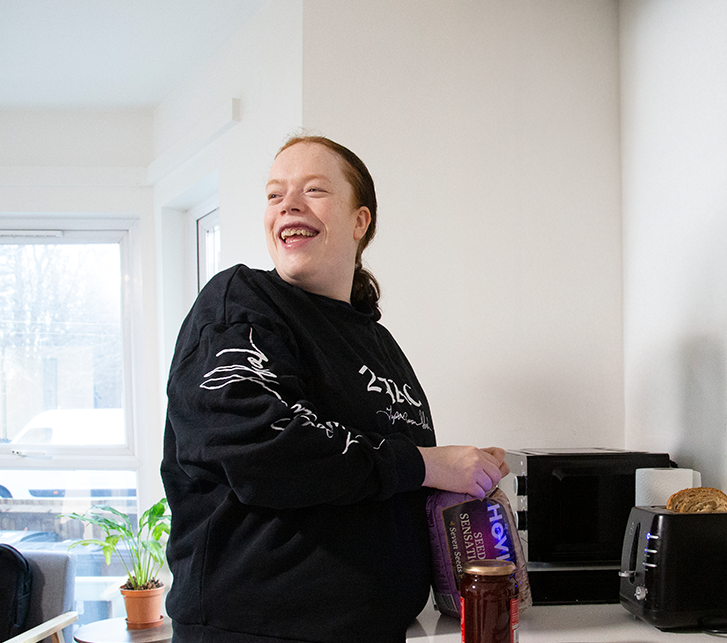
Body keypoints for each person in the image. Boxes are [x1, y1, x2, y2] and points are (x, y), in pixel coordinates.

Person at [161, 135, 509, 643]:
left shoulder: (378, 343)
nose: (289, 206)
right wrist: (428, 463)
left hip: (388, 631)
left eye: (314, 190)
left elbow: (375, 479)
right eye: (275, 194)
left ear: (359, 221)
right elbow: (265, 448)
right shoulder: (240, 304)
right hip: (257, 632)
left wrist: (459, 472)